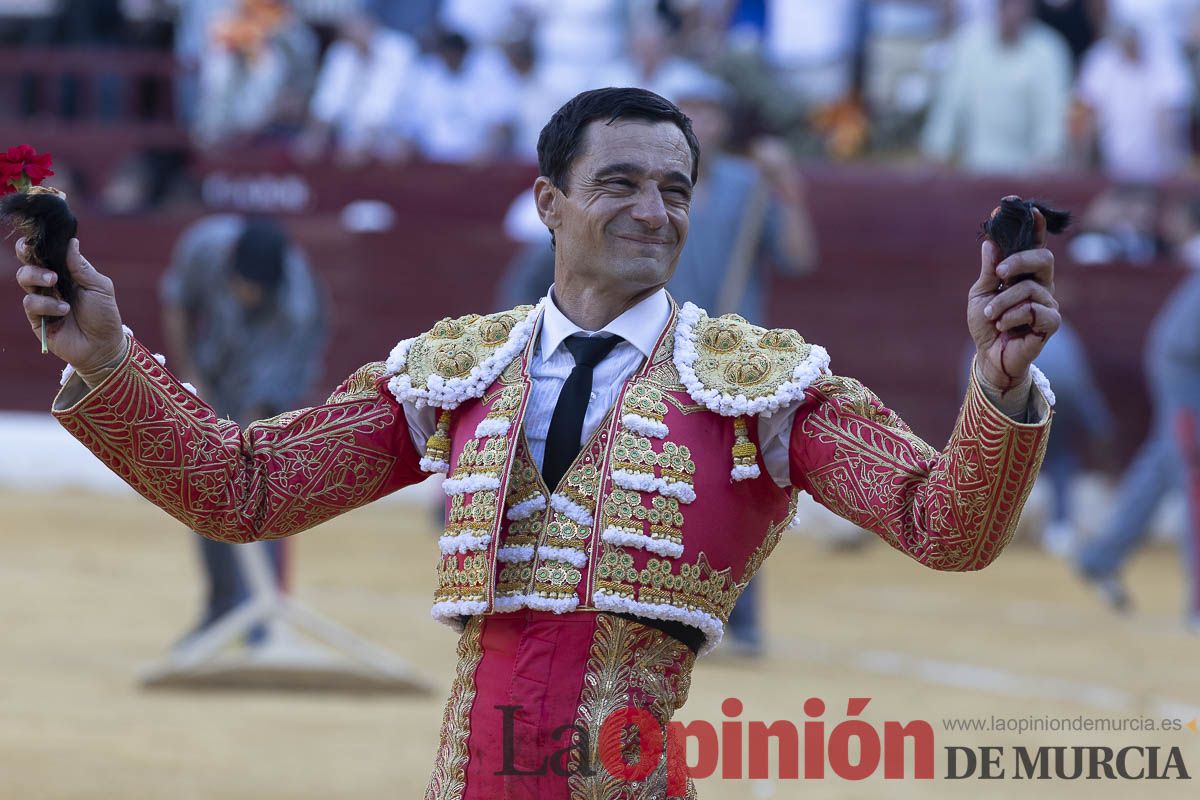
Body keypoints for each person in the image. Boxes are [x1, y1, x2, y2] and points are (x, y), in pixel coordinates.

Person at [17, 87, 1056, 797]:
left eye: (676, 190)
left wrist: (999, 387)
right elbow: (244, 491)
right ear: (548, 203)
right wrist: (108, 360)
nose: (654, 211)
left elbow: (944, 525)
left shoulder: (760, 384)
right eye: (621, 184)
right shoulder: (457, 370)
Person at [158, 214, 327, 644]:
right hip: (213, 379)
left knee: (262, 494)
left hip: (265, 401)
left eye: (258, 290)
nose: (248, 295)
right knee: (205, 493)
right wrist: (192, 381)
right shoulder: (204, 246)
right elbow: (178, 306)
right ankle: (221, 611)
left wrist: (242, 443)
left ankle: (261, 622)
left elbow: (266, 400)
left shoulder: (298, 305)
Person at [1076, 201, 1200, 629]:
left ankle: (1100, 556)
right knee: (1193, 474)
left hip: (1180, 363)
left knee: (1164, 463)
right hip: (1187, 371)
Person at [921, 0, 1071, 174]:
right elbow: (948, 107)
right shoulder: (968, 44)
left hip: (1029, 176)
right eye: (1007, 4)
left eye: (1019, 4)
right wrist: (936, 150)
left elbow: (1052, 118)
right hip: (972, 171)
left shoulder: (1048, 50)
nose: (1013, 11)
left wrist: (1048, 160)